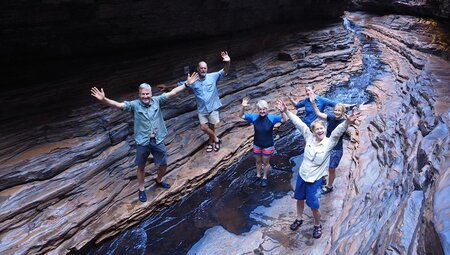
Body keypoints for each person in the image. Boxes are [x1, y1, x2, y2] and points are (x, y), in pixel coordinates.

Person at [90, 72, 199, 203]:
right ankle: (141, 189)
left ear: (151, 94)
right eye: (143, 94)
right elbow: (118, 105)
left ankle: (159, 180)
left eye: (147, 94)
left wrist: (187, 84)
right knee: (141, 166)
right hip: (143, 141)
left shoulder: (157, 100)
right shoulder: (135, 105)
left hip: (157, 139)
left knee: (163, 163)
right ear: (139, 94)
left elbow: (173, 93)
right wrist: (104, 100)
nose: (145, 96)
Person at [276, 99, 360, 239]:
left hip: (315, 179)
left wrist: (347, 123)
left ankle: (317, 225)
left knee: (314, 206)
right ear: (313, 131)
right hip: (303, 175)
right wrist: (286, 111)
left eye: (322, 128)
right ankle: (299, 218)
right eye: (317, 129)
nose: (320, 130)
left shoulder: (329, 142)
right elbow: (299, 123)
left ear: (324, 130)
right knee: (299, 199)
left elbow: (337, 132)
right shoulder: (309, 137)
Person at [181, 51, 231, 153]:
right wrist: (167, 87)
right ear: (198, 69)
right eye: (201, 68)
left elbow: (225, 71)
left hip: (213, 106)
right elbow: (181, 84)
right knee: (204, 127)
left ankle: (210, 143)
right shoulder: (193, 80)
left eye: (205, 68)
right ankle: (217, 139)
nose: (203, 69)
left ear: (207, 69)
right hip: (202, 109)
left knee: (212, 126)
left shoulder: (213, 76)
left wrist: (228, 61)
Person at [239, 97, 288, 187]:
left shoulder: (271, 118)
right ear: (258, 110)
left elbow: (284, 120)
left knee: (265, 162)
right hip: (257, 144)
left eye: (264, 109)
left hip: (268, 145)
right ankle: (258, 175)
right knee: (258, 161)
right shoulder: (254, 117)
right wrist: (243, 107)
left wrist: (282, 111)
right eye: (260, 109)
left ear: (267, 109)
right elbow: (241, 116)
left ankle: (264, 177)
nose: (262, 111)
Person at [310, 92, 346, 194]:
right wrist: (313, 103)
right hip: (326, 146)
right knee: (323, 164)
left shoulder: (344, 122)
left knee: (331, 168)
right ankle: (323, 179)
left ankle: (329, 186)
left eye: (339, 111)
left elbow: (347, 125)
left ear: (343, 112)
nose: (337, 112)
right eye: (335, 110)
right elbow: (318, 113)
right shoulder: (331, 117)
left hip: (336, 149)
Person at [288, 84, 354, 127]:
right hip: (306, 124)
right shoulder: (306, 100)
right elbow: (297, 106)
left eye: (309, 90)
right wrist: (291, 100)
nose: (307, 92)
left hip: (317, 125)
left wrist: (351, 106)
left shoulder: (321, 100)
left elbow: (336, 104)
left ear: (313, 90)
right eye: (306, 91)